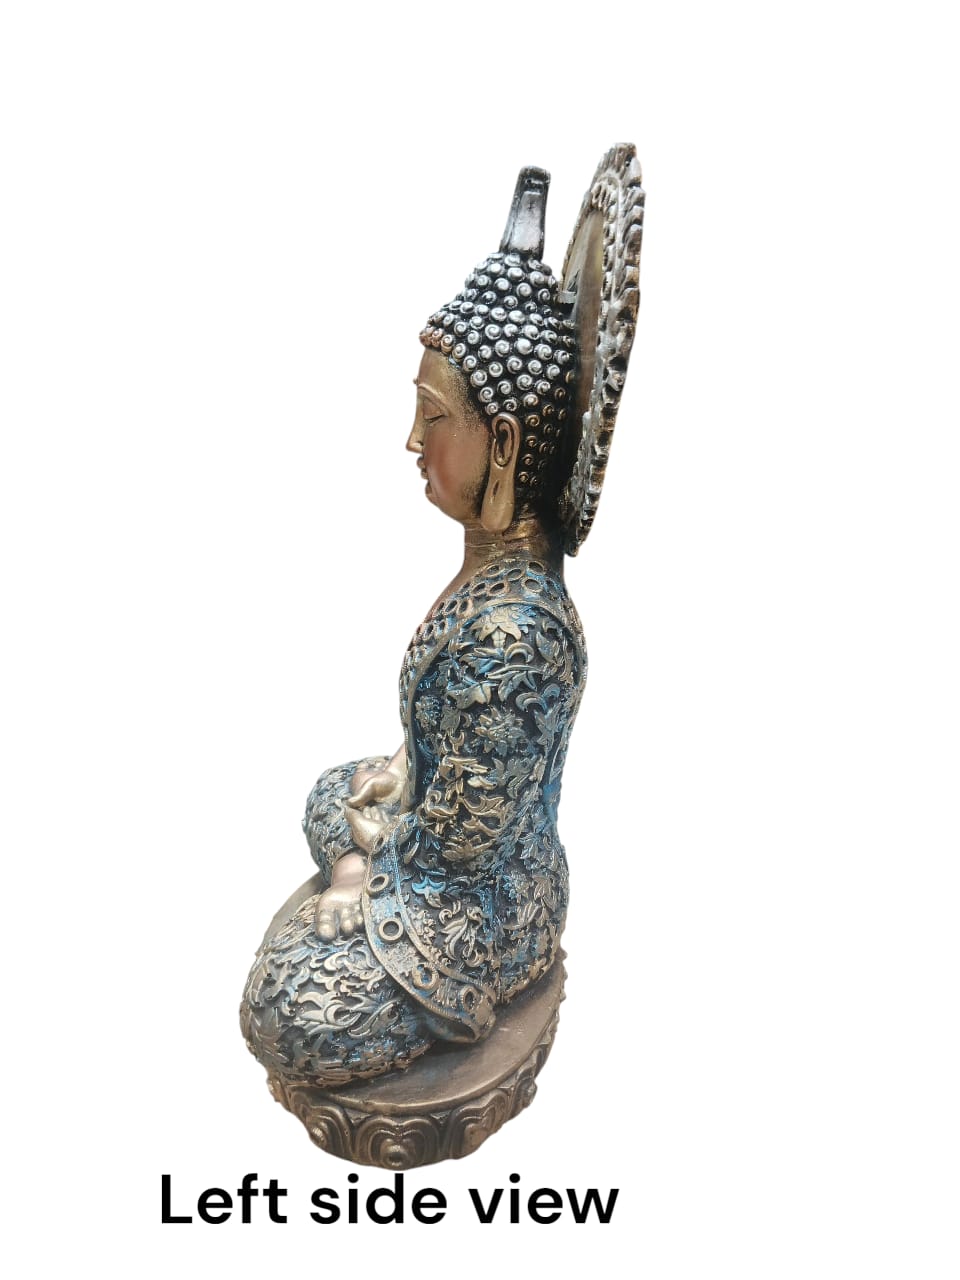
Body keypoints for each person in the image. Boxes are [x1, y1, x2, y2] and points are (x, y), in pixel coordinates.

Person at [240, 169, 588, 1088]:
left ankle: (450, 988)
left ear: (503, 443)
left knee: (289, 1011)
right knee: (331, 788)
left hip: (478, 907)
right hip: (434, 838)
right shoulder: (491, 573)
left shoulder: (520, 631)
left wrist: (359, 866)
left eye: (434, 418)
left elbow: (459, 848)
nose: (411, 441)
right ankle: (354, 868)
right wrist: (391, 780)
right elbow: (435, 743)